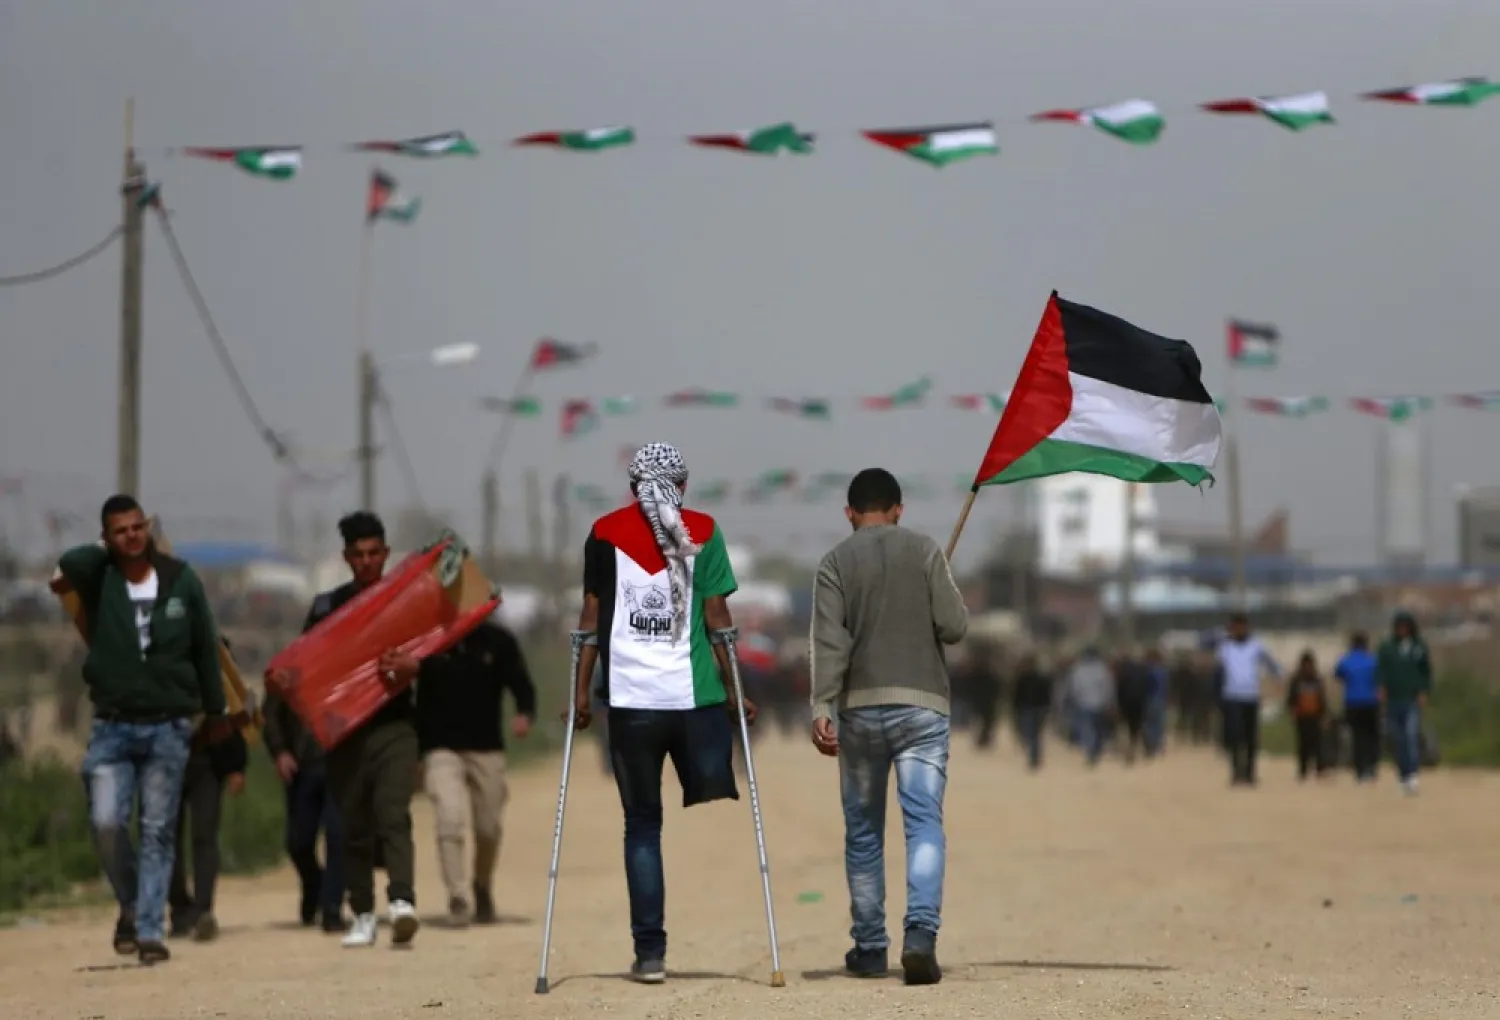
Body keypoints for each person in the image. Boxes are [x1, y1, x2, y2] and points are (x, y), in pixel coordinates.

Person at [566, 443, 754, 984]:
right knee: (701, 789)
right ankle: (709, 782)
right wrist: (736, 689)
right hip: (694, 705)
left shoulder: (603, 532)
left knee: (643, 826)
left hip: (631, 705)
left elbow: (589, 618)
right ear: (684, 486)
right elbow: (718, 618)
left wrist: (580, 694)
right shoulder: (705, 531)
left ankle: (650, 954)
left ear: (633, 488)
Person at [809, 467, 968, 987]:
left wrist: (822, 706)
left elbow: (829, 644)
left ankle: (870, 946)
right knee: (923, 822)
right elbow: (955, 626)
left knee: (863, 831)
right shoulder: (925, 551)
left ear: (849, 513)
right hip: (922, 709)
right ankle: (919, 935)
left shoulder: (834, 562)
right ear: (899, 509)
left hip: (859, 709)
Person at [54, 494, 227, 964]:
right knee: (106, 822)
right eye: (120, 531)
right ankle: (132, 904)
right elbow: (69, 562)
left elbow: (205, 647)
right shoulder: (101, 578)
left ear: (148, 528)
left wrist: (216, 712)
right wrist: (105, 549)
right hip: (112, 727)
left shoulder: (180, 580)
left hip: (168, 727)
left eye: (137, 527)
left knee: (156, 831)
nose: (132, 536)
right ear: (107, 537)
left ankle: (150, 930)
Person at [271, 511, 422, 948]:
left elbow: (432, 653)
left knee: (392, 813)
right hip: (344, 733)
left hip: (394, 726)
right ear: (346, 557)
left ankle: (402, 901)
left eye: (374, 553)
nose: (367, 562)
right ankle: (363, 913)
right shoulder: (328, 608)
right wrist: (284, 682)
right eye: (358, 554)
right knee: (351, 826)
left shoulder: (404, 602)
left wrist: (413, 667)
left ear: (386, 553)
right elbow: (304, 664)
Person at [414, 618, 536, 927]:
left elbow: (521, 684)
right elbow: (417, 698)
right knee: (449, 818)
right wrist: (416, 752)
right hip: (440, 748)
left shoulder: (498, 640)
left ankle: (481, 884)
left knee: (488, 827)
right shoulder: (430, 641)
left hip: (486, 747)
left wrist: (525, 713)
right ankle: (457, 896)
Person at [262, 678, 346, 932]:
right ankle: (314, 885)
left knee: (337, 836)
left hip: (341, 763)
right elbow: (270, 713)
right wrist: (279, 751)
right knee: (298, 842)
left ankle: (332, 907)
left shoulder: (345, 663)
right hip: (303, 765)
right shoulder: (290, 666)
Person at [168, 719, 248, 940]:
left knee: (205, 835)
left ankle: (203, 911)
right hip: (165, 760)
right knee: (166, 839)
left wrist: (237, 765)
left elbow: (231, 712)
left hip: (208, 760)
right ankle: (180, 908)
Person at [1214, 612, 1282, 787]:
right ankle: (1236, 772)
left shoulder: (1256, 646)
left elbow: (1272, 664)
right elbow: (1219, 673)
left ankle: (1250, 773)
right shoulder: (1225, 648)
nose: (1238, 630)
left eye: (1241, 627)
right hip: (1231, 697)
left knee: (1250, 737)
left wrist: (1278, 679)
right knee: (1235, 736)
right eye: (1234, 627)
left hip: (1250, 697)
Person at [1376, 610, 1432, 795]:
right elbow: (1380, 670)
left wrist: (1423, 691)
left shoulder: (1418, 647)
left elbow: (1426, 672)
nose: (1402, 629)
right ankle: (1403, 773)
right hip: (1394, 699)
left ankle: (1413, 774)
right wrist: (1381, 687)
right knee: (1399, 739)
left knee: (1411, 735)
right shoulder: (1387, 648)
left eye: (1405, 626)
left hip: (1411, 699)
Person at [1334, 632, 1381, 782]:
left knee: (1357, 736)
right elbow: (1380, 678)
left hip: (1352, 702)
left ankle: (1360, 769)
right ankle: (1372, 767)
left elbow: (1338, 674)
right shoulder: (1372, 660)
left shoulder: (1346, 660)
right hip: (1371, 702)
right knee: (1372, 735)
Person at [1284, 651, 1329, 782]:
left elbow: (1322, 699)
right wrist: (1292, 712)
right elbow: (1291, 698)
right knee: (1303, 744)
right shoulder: (1297, 680)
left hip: (1315, 716)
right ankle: (1303, 770)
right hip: (1302, 716)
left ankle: (1320, 768)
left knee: (1318, 743)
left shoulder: (1317, 680)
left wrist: (1324, 715)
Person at [1065, 647, 1113, 767]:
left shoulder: (1078, 669)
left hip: (1084, 703)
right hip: (1099, 704)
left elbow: (1074, 687)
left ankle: (1091, 751)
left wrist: (1075, 700)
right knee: (1098, 728)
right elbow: (1108, 687)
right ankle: (1096, 749)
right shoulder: (1103, 669)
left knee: (1087, 729)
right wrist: (1108, 701)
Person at [1010, 653, 1052, 771]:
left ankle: (1033, 757)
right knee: (1034, 734)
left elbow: (1016, 695)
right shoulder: (1039, 677)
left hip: (1028, 708)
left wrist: (1015, 708)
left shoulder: (1022, 678)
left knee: (1030, 734)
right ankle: (1034, 756)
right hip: (1035, 708)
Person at [1113, 651, 1151, 764]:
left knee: (1126, 727)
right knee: (1138, 726)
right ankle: (1143, 747)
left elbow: (1119, 690)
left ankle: (1129, 751)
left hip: (1126, 704)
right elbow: (1146, 689)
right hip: (1139, 703)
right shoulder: (1142, 671)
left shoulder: (1122, 673)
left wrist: (1118, 705)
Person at [1141, 647, 1169, 757]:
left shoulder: (1147, 671)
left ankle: (1150, 746)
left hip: (1148, 699)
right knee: (1158, 724)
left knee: (1148, 723)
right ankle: (1157, 745)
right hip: (1160, 699)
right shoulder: (1163, 671)